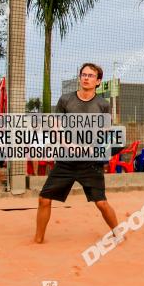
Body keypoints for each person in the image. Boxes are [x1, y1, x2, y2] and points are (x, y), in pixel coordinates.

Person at [34, 63, 120, 244]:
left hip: (90, 164)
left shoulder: (103, 105)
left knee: (101, 203)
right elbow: (55, 127)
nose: (86, 78)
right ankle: (37, 240)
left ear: (98, 81)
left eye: (90, 75)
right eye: (83, 74)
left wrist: (92, 147)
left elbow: (106, 132)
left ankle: (118, 233)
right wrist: (67, 144)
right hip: (66, 161)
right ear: (80, 77)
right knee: (44, 199)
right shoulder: (65, 100)